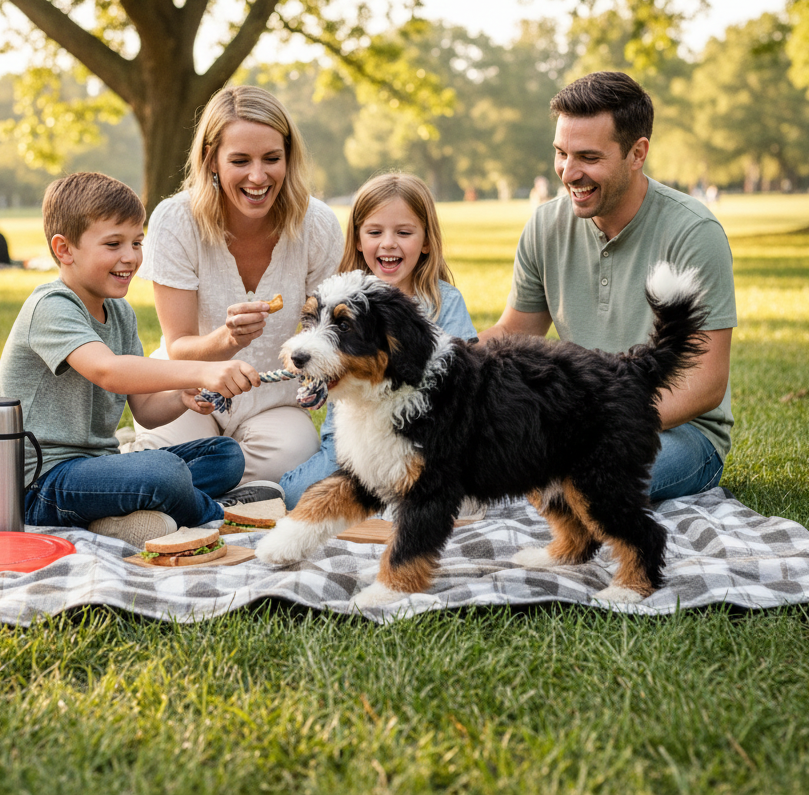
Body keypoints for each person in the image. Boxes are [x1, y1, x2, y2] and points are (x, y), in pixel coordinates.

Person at [481, 70, 736, 501]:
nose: (568, 172)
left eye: (588, 157)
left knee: (583, 483)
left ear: (637, 154)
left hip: (680, 432)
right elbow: (514, 332)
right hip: (580, 420)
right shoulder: (545, 225)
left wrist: (595, 425)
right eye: (561, 153)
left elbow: (707, 382)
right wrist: (442, 361)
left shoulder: (694, 231)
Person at [0, 171, 267, 548]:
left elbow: (145, 411)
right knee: (164, 471)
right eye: (113, 244)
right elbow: (108, 371)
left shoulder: (120, 314)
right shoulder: (51, 306)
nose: (130, 257)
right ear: (64, 250)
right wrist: (203, 370)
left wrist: (181, 396)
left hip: (97, 470)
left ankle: (120, 515)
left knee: (224, 454)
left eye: (137, 242)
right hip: (41, 484)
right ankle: (222, 513)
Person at [128, 85, 344, 485]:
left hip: (273, 401)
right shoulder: (175, 220)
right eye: (240, 160)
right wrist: (227, 340)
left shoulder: (317, 224)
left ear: (288, 157)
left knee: (291, 460)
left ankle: (199, 488)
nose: (258, 176)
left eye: (272, 159)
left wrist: (319, 376)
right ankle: (201, 481)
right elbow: (179, 346)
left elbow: (326, 333)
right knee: (171, 461)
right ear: (212, 159)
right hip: (189, 390)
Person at [280, 173, 478, 508]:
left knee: (442, 493)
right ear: (358, 240)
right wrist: (317, 386)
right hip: (352, 438)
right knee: (301, 493)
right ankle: (275, 493)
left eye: (404, 232)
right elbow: (318, 358)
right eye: (374, 232)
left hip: (422, 437)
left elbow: (466, 381)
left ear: (426, 241)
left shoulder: (444, 301)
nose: (388, 243)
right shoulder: (340, 299)